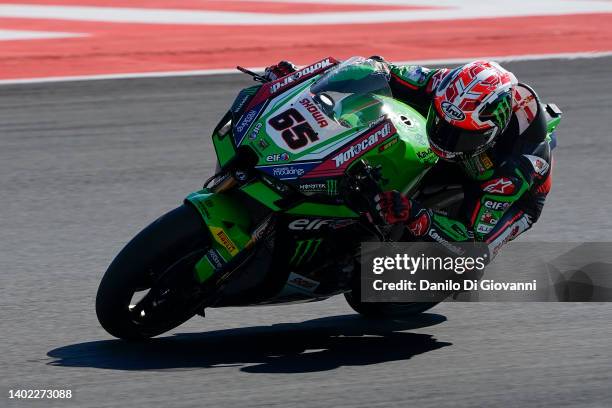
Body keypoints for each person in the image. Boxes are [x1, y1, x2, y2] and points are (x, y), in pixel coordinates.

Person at [264, 58, 555, 257]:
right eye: (441, 122)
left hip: (510, 198)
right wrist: (302, 80)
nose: (445, 139)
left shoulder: (514, 170)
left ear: (494, 130)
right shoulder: (441, 84)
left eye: (461, 135)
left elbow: (470, 239)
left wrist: (416, 215)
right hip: (465, 158)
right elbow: (376, 69)